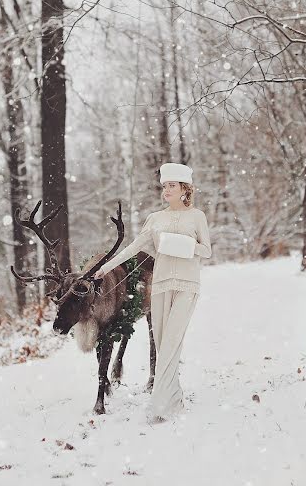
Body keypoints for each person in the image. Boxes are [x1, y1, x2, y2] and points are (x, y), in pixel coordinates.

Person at [94, 162, 212, 423]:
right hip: (160, 286)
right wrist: (104, 268)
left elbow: (207, 251)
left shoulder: (197, 216)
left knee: (171, 342)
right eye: (164, 186)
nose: (166, 190)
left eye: (171, 186)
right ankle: (174, 398)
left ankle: (159, 406)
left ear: (185, 189)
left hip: (187, 285)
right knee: (162, 343)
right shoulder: (155, 219)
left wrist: (182, 245)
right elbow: (133, 247)